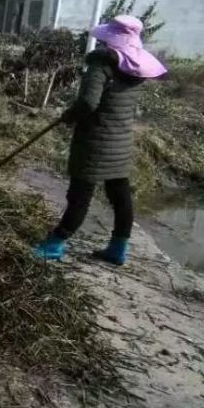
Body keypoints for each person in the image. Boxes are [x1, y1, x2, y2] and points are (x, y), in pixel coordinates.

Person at [34, 16, 167, 266]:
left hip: (95, 139)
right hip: (121, 140)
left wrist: (68, 116)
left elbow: (87, 103)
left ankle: (55, 244)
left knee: (80, 194)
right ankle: (118, 249)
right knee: (120, 194)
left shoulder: (101, 63)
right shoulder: (135, 68)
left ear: (110, 37)